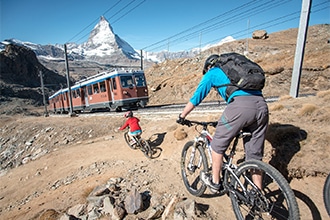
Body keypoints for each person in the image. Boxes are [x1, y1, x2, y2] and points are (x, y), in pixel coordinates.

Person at [177, 54, 269, 193]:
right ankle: (258, 192)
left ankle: (215, 182)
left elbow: (197, 97)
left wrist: (182, 116)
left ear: (208, 66)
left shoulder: (212, 73)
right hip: (262, 106)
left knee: (217, 145)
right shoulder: (235, 72)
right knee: (254, 155)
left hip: (239, 108)